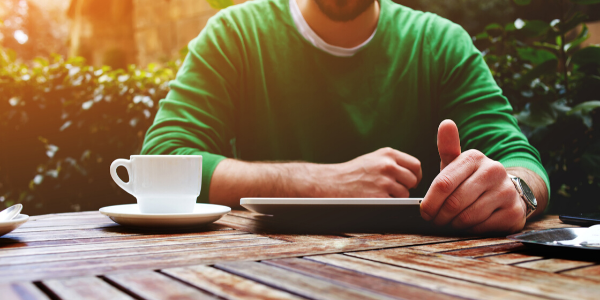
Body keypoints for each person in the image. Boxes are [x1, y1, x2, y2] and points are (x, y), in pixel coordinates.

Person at [141, 0, 550, 233]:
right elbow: (165, 156)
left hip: (424, 279)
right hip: (259, 275)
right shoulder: (236, 34)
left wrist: (516, 191)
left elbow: (521, 162)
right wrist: (322, 182)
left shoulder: (440, 43)